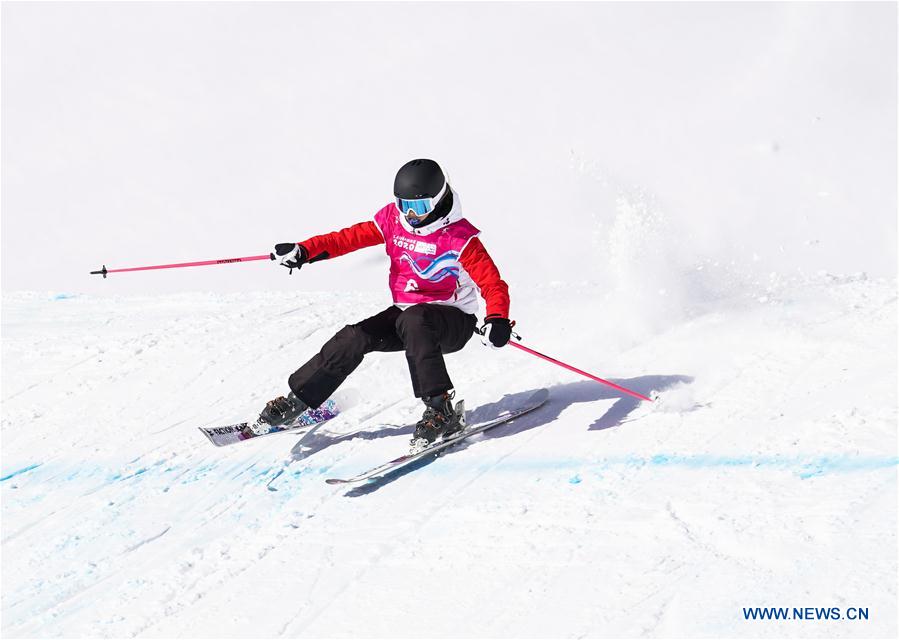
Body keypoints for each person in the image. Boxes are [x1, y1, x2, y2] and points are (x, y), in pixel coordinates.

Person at [259, 159, 512, 448]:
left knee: (416, 319)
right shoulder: (394, 220)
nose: (411, 215)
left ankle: (441, 411)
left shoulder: (459, 237)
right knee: (355, 336)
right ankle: (299, 401)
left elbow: (492, 284)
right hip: (408, 315)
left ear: (439, 200)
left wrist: (497, 319)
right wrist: (304, 250)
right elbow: (346, 239)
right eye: (404, 205)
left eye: (419, 207)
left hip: (453, 320)